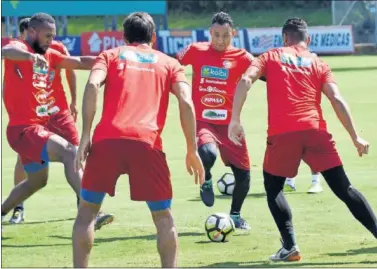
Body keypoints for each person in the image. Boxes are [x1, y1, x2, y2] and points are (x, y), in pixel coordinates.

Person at [229, 17, 377, 262]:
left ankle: (290, 246)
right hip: (315, 130)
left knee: (273, 187)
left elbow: (245, 80)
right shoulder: (318, 62)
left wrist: (235, 119)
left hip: (283, 133)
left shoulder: (270, 55)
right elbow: (336, 99)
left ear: (284, 38)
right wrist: (355, 136)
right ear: (307, 40)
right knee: (344, 188)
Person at [72, 12, 204, 268]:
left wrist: (86, 134)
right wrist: (192, 148)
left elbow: (92, 85)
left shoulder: (110, 55)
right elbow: (186, 102)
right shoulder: (170, 63)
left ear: (123, 36)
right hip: (147, 143)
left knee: (87, 212)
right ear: (153, 37)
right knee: (163, 218)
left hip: (106, 141)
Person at [1, 13, 114, 231]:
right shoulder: (19, 48)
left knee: (37, 182)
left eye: (53, 36)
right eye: (47, 36)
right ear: (32, 32)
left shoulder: (51, 54)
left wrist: (112, 62)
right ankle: (93, 211)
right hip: (23, 130)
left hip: (36, 130)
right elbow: (5, 52)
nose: (50, 41)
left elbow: (80, 62)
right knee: (70, 152)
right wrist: (28, 58)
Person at [176, 12, 254, 229]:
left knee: (244, 175)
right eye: (216, 35)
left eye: (226, 36)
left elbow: (263, 71)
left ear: (233, 34)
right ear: (210, 32)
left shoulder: (243, 57)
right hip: (203, 121)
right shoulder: (195, 50)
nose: (220, 40)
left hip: (231, 125)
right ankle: (207, 177)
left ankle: (236, 216)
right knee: (208, 154)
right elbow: (171, 65)